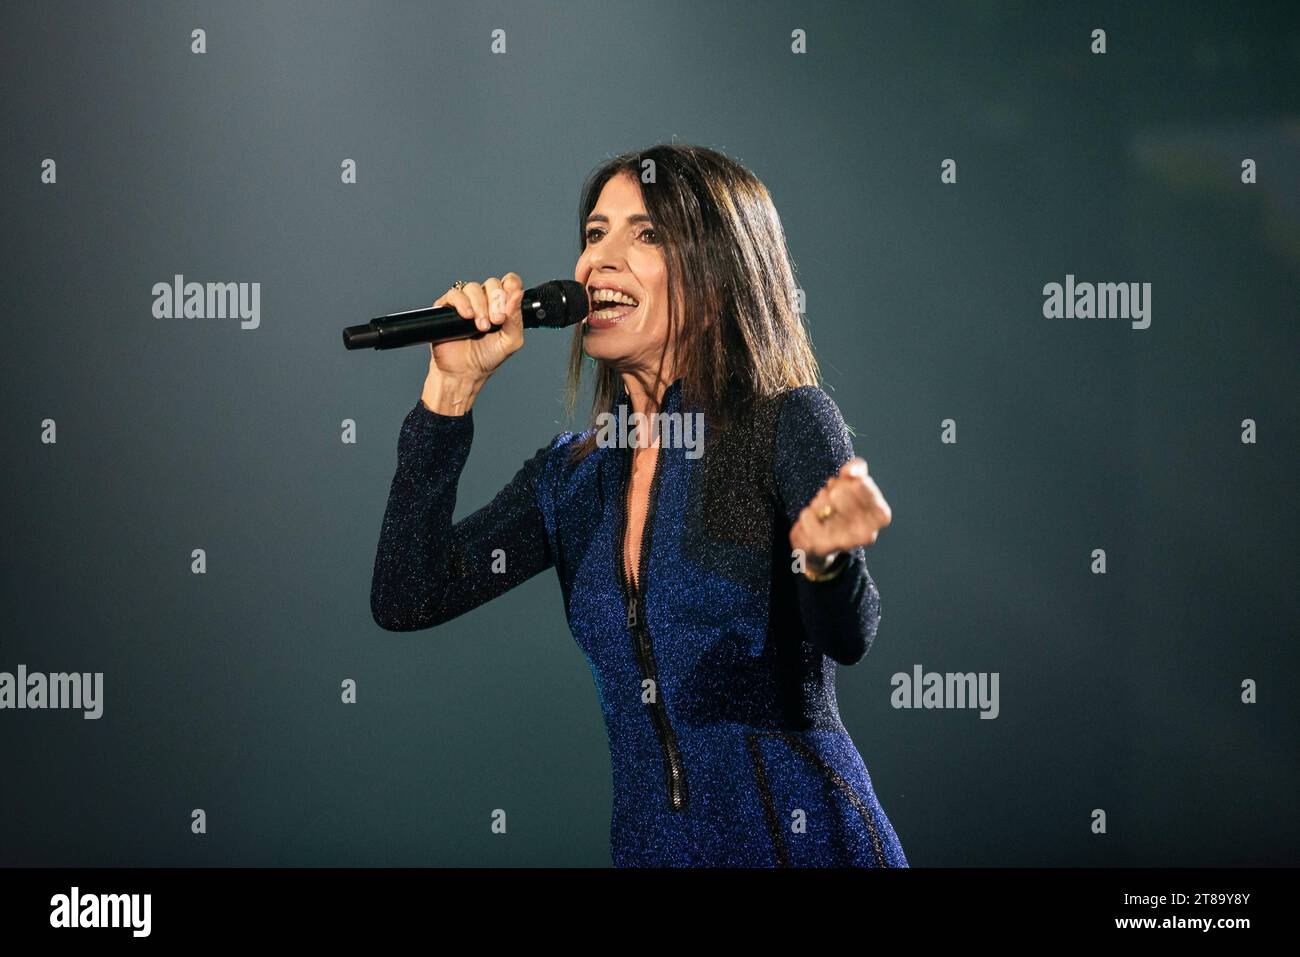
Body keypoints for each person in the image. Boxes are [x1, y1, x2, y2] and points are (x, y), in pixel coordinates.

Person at [370, 144, 908, 867]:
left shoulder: (783, 423)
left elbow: (847, 633)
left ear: (721, 273)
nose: (598, 260)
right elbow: (408, 593)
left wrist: (825, 557)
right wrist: (449, 394)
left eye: (646, 233)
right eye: (594, 234)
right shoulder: (572, 479)